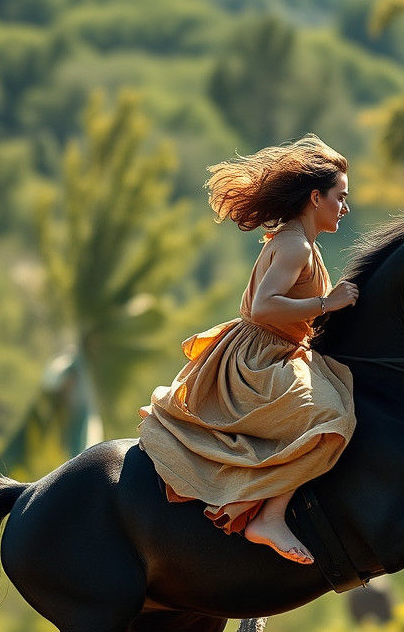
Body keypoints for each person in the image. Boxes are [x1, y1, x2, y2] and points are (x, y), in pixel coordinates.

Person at [139, 135, 359, 565]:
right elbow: (264, 307)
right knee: (333, 418)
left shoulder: (300, 242)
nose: (345, 208)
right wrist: (326, 304)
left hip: (274, 351)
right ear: (316, 198)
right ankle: (269, 517)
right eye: (340, 197)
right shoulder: (295, 245)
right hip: (258, 360)